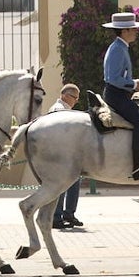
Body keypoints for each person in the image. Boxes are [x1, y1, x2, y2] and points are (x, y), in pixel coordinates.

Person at [102, 12, 139, 180]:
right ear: (125, 31)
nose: (136, 32)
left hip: (120, 94)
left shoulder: (120, 47)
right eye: (134, 29)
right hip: (116, 95)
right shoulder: (117, 49)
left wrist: (134, 82)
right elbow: (112, 78)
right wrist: (135, 85)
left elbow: (120, 77)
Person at [50, 83, 83, 229]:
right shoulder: (59, 110)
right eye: (74, 97)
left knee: (74, 183)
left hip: (67, 154)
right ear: (65, 96)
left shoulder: (65, 109)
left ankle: (68, 213)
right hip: (61, 155)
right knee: (63, 185)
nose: (76, 101)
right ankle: (56, 217)